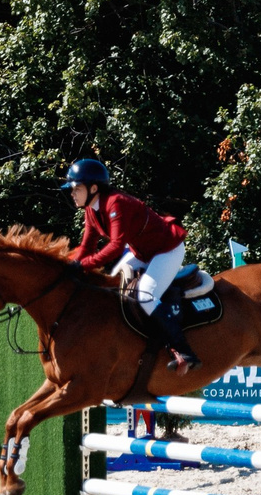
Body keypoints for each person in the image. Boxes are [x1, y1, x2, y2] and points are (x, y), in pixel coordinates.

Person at [61, 156, 202, 370]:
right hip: (143, 252)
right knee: (114, 283)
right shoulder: (91, 210)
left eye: (76, 188)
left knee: (146, 294)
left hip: (167, 250)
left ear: (93, 188)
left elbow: (117, 246)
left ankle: (183, 350)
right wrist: (68, 265)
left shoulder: (116, 203)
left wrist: (83, 265)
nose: (72, 193)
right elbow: (87, 247)